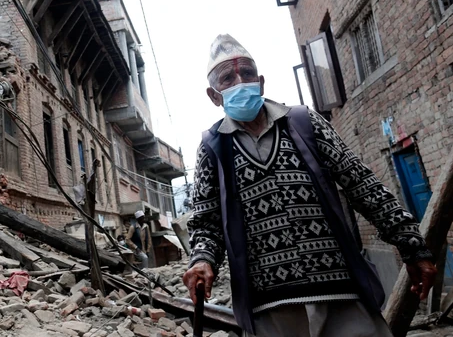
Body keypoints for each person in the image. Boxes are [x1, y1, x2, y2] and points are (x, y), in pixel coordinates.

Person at [183, 34, 437, 337]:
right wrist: (202, 259)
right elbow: (206, 223)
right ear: (214, 96)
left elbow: (362, 184)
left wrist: (412, 246)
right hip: (271, 309)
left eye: (247, 73)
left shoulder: (304, 122)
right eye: (228, 78)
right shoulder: (213, 147)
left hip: (341, 294)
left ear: (260, 82)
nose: (241, 82)